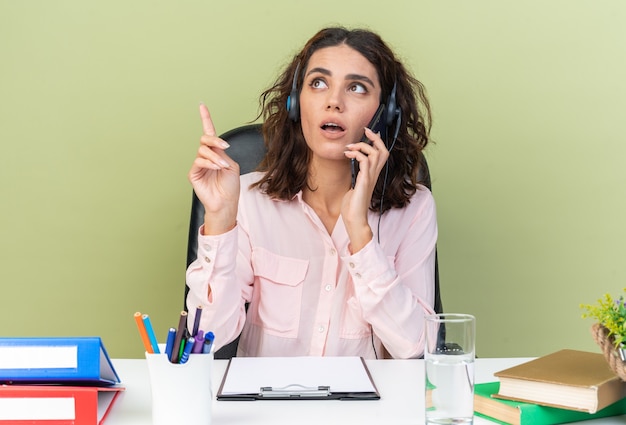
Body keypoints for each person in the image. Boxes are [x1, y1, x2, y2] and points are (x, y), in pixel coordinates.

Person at [186, 27, 437, 359]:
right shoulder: (249, 200)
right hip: (267, 406)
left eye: (357, 88)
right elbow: (208, 338)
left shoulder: (414, 208)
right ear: (295, 102)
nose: (334, 101)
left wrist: (360, 233)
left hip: (367, 409)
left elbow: (417, 347)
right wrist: (219, 219)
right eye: (318, 83)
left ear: (385, 112)